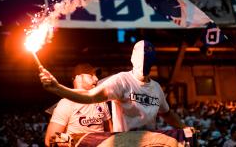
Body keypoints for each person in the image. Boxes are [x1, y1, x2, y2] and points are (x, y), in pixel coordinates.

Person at [40, 40, 188, 132]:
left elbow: (167, 113)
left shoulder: (156, 88)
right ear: (132, 59)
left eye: (147, 57)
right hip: (125, 143)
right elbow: (90, 96)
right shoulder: (122, 81)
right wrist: (58, 88)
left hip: (148, 143)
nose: (143, 60)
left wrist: (184, 128)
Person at [44, 63, 113, 146]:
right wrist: (83, 141)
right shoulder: (66, 104)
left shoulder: (101, 101)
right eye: (91, 76)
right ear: (78, 78)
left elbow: (110, 132)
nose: (96, 79)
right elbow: (50, 140)